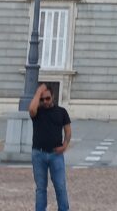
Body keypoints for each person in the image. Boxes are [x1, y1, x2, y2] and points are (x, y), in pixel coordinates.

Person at [30, 83, 71, 211]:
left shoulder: (61, 112)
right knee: (41, 188)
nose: (45, 102)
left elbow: (68, 131)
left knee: (60, 186)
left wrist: (64, 146)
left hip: (56, 155)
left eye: (47, 98)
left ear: (53, 97)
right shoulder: (37, 112)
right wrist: (38, 92)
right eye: (42, 99)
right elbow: (31, 110)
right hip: (38, 154)